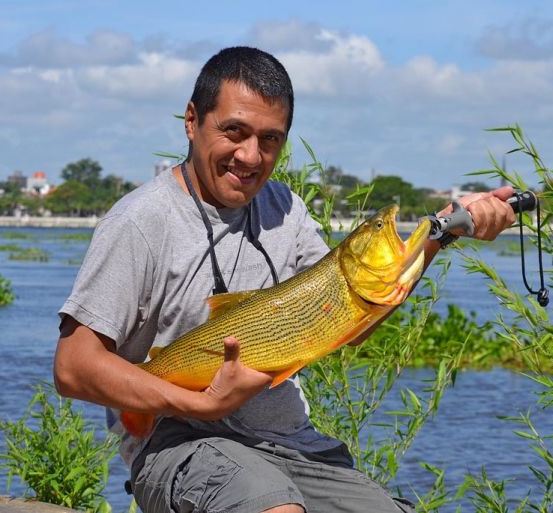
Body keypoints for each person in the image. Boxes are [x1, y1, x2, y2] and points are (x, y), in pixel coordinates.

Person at [54, 46, 516, 513]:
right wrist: (204, 405)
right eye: (234, 131)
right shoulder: (141, 222)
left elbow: (355, 321)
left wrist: (438, 233)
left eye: (270, 139)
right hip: (180, 440)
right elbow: (73, 367)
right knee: (275, 509)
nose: (250, 156)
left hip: (289, 444)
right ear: (192, 121)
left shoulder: (285, 208)